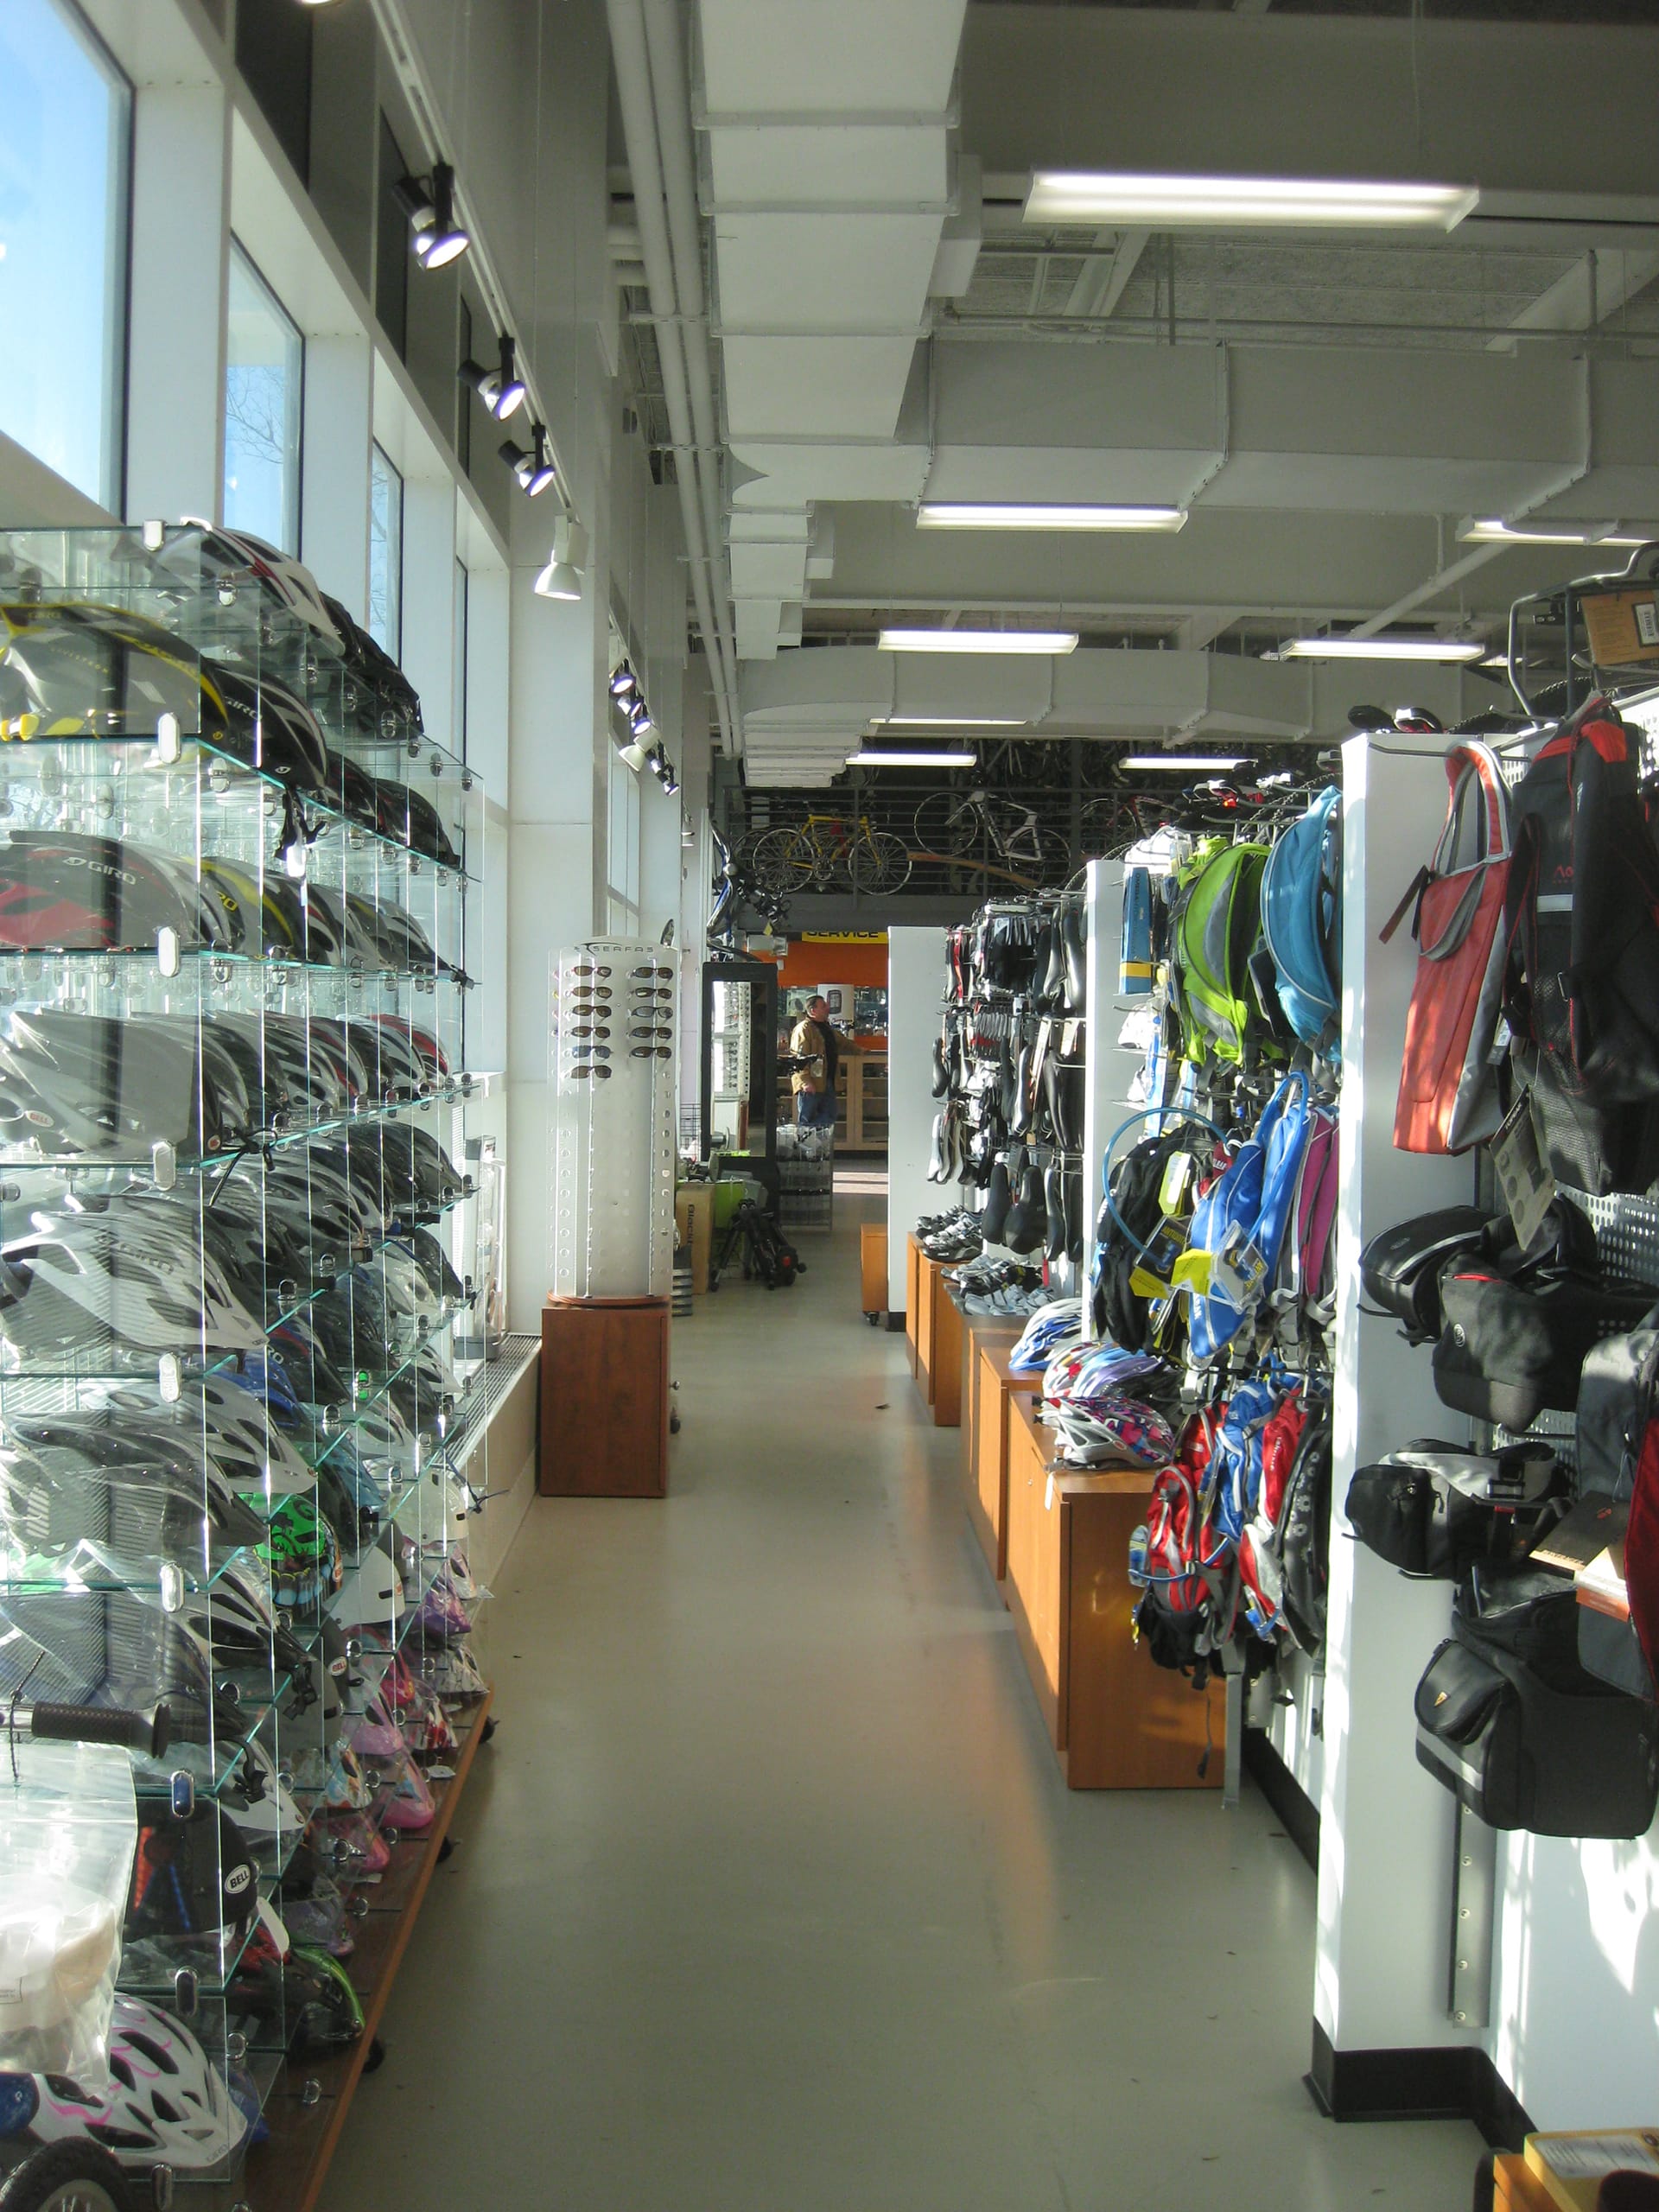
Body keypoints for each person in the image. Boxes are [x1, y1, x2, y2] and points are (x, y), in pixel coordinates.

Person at [789, 994, 852, 1131]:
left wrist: (862, 1051)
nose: (828, 1008)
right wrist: (805, 1081)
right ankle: (804, 1147)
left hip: (826, 1080)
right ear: (813, 1010)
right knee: (807, 1118)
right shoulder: (803, 1029)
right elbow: (798, 1057)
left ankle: (813, 1145)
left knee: (830, 1115)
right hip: (812, 1082)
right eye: (823, 1006)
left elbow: (844, 1043)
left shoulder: (826, 1028)